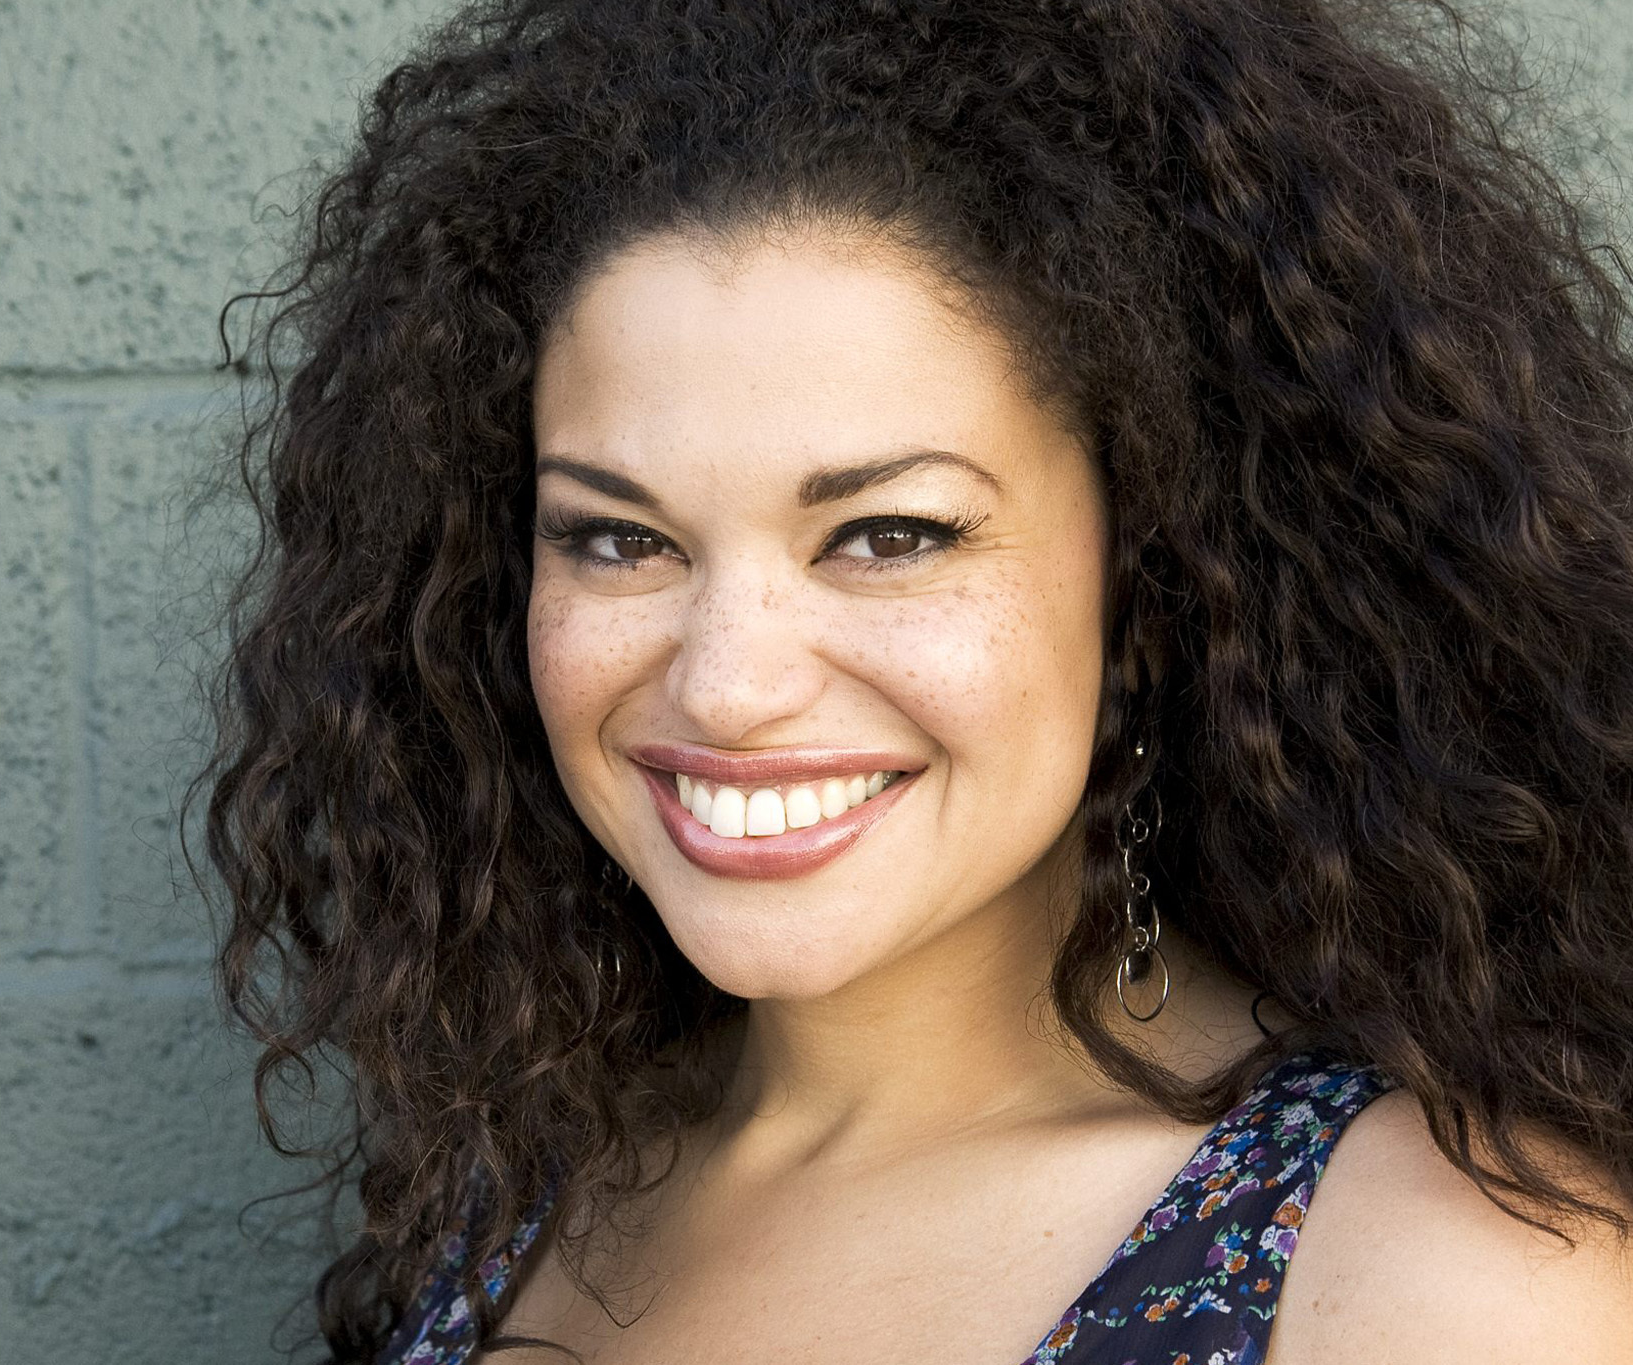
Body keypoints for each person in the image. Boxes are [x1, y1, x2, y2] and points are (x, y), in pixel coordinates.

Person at [198, 0, 1633, 1360]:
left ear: (1151, 581)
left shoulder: (1438, 1271)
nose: (728, 686)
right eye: (620, 538)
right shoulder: (530, 1177)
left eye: (891, 535)